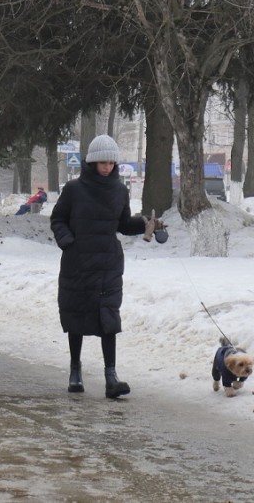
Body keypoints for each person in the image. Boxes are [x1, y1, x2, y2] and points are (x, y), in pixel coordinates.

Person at [50, 134, 162, 399]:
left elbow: (122, 224)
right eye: (102, 162)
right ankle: (75, 370)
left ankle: (111, 376)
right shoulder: (74, 189)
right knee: (76, 315)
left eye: (111, 162)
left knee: (108, 317)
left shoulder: (120, 191)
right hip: (78, 263)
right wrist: (68, 242)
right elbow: (58, 219)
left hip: (108, 264)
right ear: (91, 162)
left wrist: (146, 223)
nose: (107, 167)